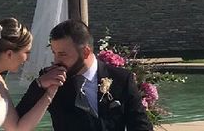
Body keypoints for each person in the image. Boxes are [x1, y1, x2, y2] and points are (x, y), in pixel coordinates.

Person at [16, 19, 153, 131]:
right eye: (54, 53)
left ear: (86, 52)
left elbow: (141, 126)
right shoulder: (50, 79)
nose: (56, 61)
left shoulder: (122, 79)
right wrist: (39, 84)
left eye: (62, 54)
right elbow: (17, 120)